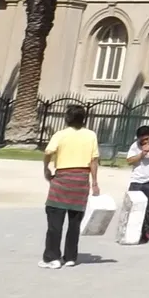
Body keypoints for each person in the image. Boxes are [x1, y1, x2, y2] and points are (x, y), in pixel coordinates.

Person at [41, 106, 100, 268]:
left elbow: (48, 152)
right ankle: (70, 256)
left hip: (62, 180)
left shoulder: (61, 134)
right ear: (84, 119)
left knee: (55, 220)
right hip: (81, 181)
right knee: (74, 222)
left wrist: (46, 168)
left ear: (67, 118)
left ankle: (52, 257)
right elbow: (94, 160)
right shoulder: (90, 135)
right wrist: (94, 183)